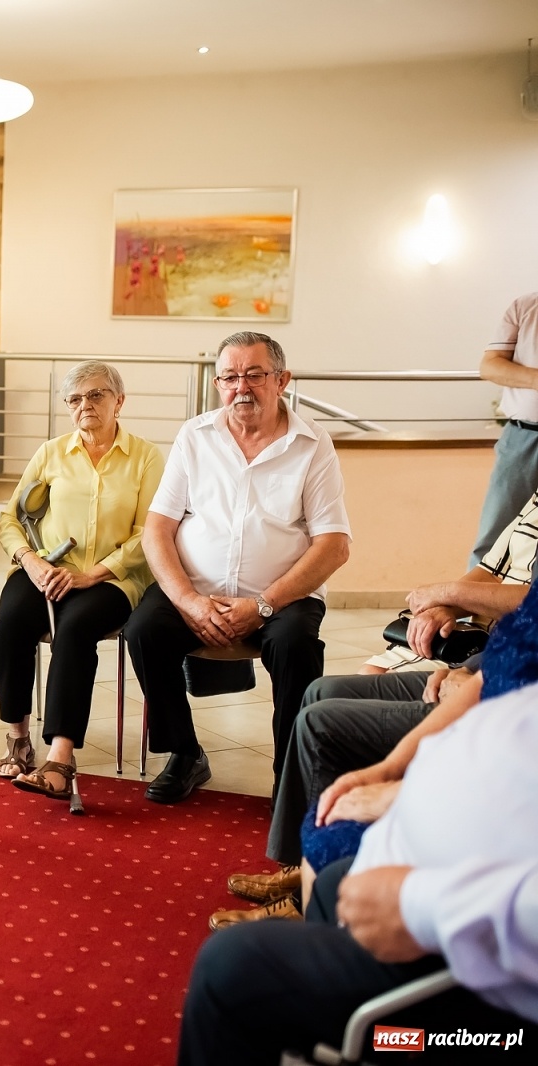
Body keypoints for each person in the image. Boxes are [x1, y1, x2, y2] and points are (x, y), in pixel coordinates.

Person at [178, 591, 538, 1066]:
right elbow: (497, 682)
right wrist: (392, 772)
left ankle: (373, 1038)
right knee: (332, 882)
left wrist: (418, 902)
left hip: (493, 1020)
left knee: (231, 967)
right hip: (455, 891)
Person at [214, 487, 538, 928]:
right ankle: (299, 865)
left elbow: (527, 606)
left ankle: (312, 901)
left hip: (500, 697)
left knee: (320, 722)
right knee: (322, 693)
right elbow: (493, 573)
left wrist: (456, 623)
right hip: (483, 665)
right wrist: (451, 616)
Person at [127, 331, 351, 803]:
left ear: (282, 380)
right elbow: (157, 529)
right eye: (229, 377)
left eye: (254, 374)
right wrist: (188, 599)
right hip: (198, 589)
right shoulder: (195, 435)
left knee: (295, 646)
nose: (241, 387)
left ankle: (289, 777)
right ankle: (185, 754)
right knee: (145, 629)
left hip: (282, 596)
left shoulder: (312, 445)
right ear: (217, 383)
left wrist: (264, 605)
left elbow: (334, 545)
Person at [0, 360, 163, 799]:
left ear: (119, 401)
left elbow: (152, 533)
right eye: (75, 399)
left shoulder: (146, 457)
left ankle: (61, 756)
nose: (85, 405)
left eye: (96, 395)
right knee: (11, 620)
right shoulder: (50, 452)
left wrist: (95, 574)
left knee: (76, 627)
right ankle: (18, 738)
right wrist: (30, 562)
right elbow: (9, 519)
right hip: (46, 568)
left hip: (113, 578)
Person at [471, 289, 538, 567]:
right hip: (524, 438)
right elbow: (490, 366)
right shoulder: (526, 306)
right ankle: (470, 611)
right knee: (494, 536)